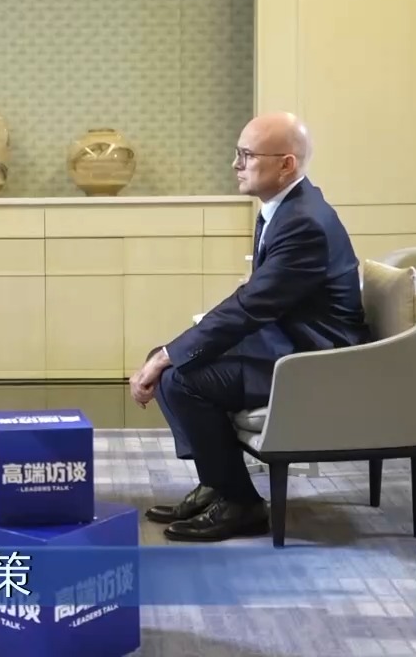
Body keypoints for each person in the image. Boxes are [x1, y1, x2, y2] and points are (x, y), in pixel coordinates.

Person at [128, 112, 370, 542]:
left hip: (312, 362)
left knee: (181, 377)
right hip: (285, 343)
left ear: (286, 165)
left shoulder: (304, 223)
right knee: (168, 362)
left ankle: (241, 503)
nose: (236, 164)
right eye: (237, 154)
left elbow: (249, 308)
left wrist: (170, 355)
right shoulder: (285, 209)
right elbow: (255, 300)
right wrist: (167, 353)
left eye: (247, 155)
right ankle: (217, 482)